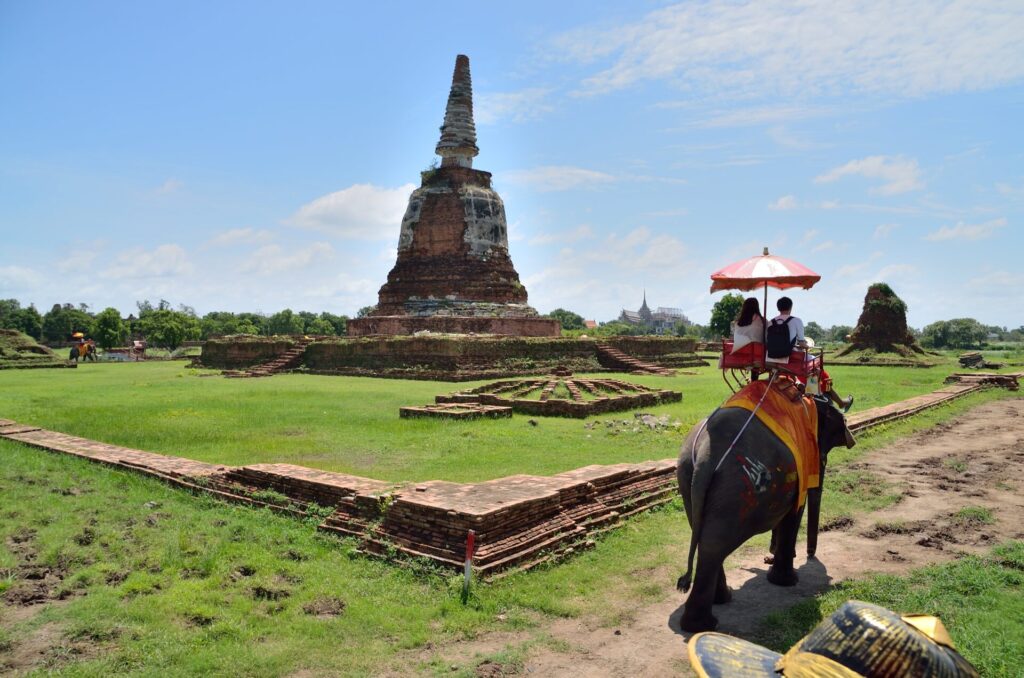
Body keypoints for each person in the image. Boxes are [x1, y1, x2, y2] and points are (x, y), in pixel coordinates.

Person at [770, 296, 854, 412]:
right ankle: (813, 393)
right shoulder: (796, 321)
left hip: (773, 358)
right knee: (815, 363)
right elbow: (801, 342)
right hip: (793, 358)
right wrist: (806, 346)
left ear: (778, 308)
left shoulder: (771, 322)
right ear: (790, 307)